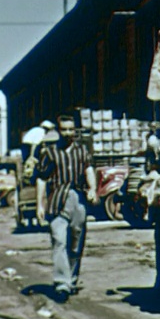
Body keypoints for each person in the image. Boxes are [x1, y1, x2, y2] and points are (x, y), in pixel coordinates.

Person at [35, 115, 99, 303]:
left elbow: (88, 170)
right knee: (59, 240)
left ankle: (71, 278)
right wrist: (40, 203)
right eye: (65, 130)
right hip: (57, 200)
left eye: (71, 130)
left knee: (76, 242)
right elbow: (41, 178)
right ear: (58, 131)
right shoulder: (50, 153)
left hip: (77, 199)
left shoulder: (81, 151)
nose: (68, 134)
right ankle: (61, 283)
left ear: (75, 131)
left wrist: (93, 189)